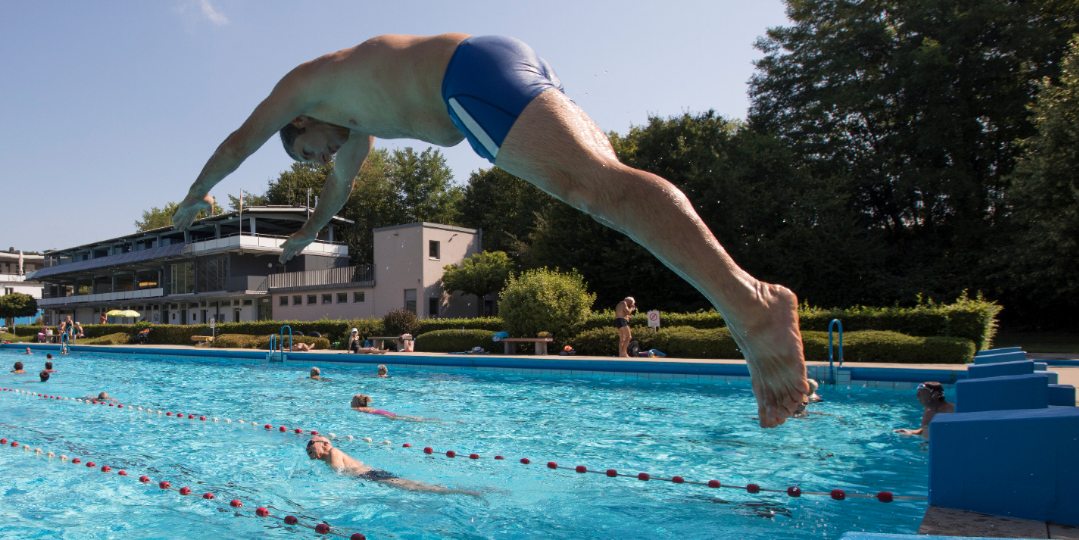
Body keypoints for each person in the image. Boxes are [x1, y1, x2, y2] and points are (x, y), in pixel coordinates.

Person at [170, 33, 808, 427]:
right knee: (604, 187)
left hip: (468, 79)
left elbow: (240, 140)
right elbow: (339, 190)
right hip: (490, 68)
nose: (320, 160)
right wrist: (305, 236)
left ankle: (751, 306)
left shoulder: (304, 83)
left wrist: (196, 193)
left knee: (595, 189)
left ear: (299, 123)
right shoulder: (355, 126)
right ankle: (747, 307)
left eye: (307, 152)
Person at [304, 435, 473, 494]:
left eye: (310, 443)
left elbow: (337, 474)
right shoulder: (328, 458)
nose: (307, 448)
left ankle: (463, 492)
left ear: (325, 444)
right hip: (370, 476)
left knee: (416, 487)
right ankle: (458, 490)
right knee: (415, 486)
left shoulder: (333, 452)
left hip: (371, 476)